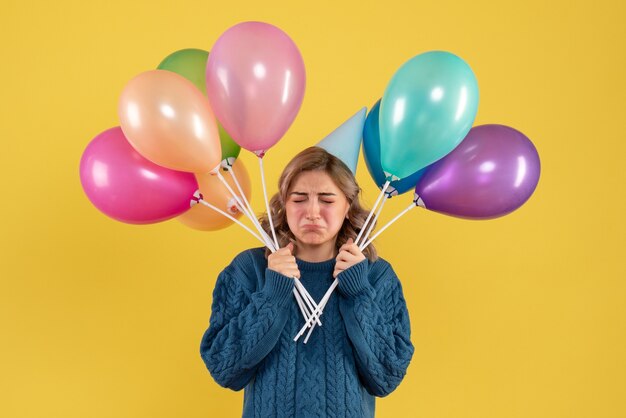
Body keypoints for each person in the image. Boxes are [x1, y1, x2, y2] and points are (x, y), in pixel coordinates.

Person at [200, 147, 414, 417]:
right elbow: (223, 368)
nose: (312, 212)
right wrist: (272, 294)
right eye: (299, 199)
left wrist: (359, 293)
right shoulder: (250, 269)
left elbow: (386, 376)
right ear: (284, 204)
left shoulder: (376, 276)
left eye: (327, 200)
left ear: (348, 206)